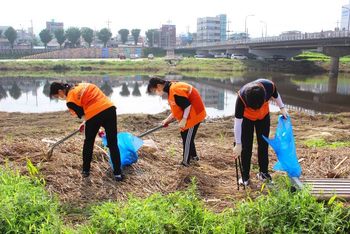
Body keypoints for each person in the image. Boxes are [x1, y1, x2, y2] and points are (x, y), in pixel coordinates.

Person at [49, 82, 123, 181]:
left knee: (89, 142)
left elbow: (86, 116)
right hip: (109, 108)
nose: (59, 98)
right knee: (113, 142)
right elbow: (95, 102)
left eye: (57, 96)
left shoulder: (70, 100)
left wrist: (90, 123)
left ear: (60, 91)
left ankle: (86, 171)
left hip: (94, 114)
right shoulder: (83, 84)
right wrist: (89, 122)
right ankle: (118, 174)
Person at [233, 78, 288, 186]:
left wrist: (282, 107)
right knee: (246, 147)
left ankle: (263, 173)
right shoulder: (241, 98)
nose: (255, 109)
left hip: (263, 117)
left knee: (263, 144)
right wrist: (238, 144)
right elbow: (238, 123)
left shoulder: (269, 86)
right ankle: (245, 176)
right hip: (247, 120)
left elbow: (276, 95)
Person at [147, 77, 206, 166]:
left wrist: (184, 119)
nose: (156, 92)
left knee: (187, 139)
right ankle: (194, 157)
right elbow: (177, 108)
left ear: (159, 85)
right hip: (190, 113)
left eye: (155, 89)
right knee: (186, 136)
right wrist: (167, 120)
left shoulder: (175, 90)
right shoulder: (171, 89)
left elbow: (187, 105)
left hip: (195, 114)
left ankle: (185, 162)